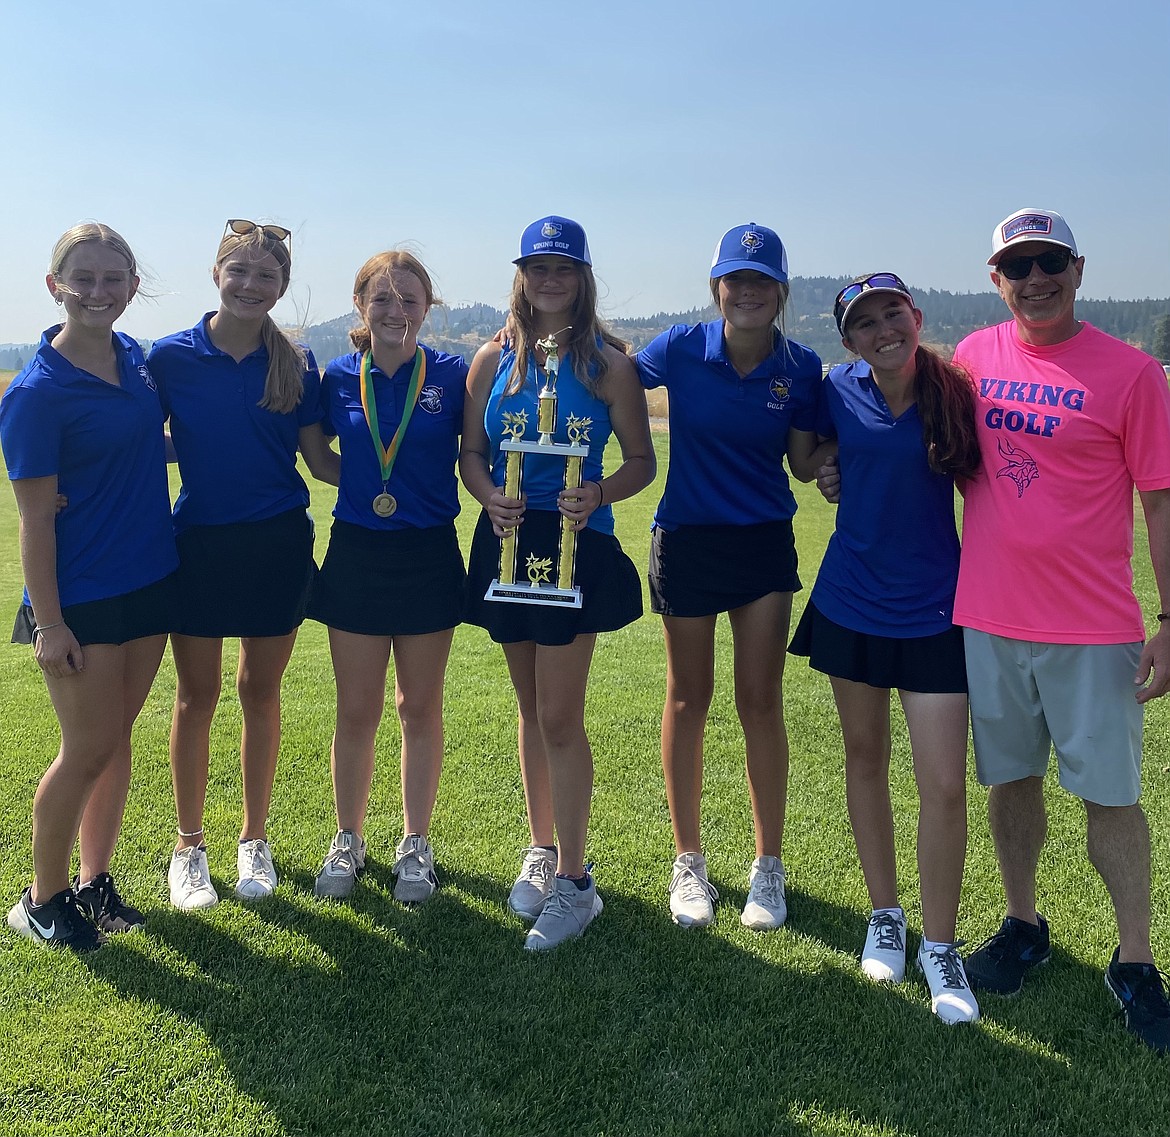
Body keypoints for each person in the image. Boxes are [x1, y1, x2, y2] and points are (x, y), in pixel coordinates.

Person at [951, 208, 1170, 1052]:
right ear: (995, 278)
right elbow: (918, 438)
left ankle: (1137, 960)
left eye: (1049, 262)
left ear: (1077, 269)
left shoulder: (1133, 373)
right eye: (1017, 266)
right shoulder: (971, 360)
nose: (1034, 279)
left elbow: (1160, 501)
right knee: (1011, 782)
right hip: (991, 619)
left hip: (1093, 626)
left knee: (1112, 796)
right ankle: (1022, 923)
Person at [789, 273, 982, 1024]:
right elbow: (804, 456)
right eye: (864, 323)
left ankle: (939, 944)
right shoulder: (836, 387)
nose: (882, 331)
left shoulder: (954, 389)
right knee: (864, 759)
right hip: (851, 604)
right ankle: (885, 916)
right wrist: (822, 467)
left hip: (937, 611)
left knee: (943, 784)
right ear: (848, 341)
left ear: (915, 316)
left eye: (891, 315)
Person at [461, 215, 655, 950]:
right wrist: (486, 494)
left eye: (562, 269)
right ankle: (542, 849)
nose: (548, 280)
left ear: (582, 278)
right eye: (537, 267)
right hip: (509, 537)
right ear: (521, 275)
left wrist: (599, 493)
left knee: (560, 715)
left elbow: (641, 460)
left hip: (577, 542)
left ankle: (577, 883)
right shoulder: (490, 360)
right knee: (529, 707)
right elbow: (472, 451)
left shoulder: (608, 364)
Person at [632, 223, 821, 931]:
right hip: (686, 539)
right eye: (734, 279)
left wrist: (827, 461)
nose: (746, 291)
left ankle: (767, 866)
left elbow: (802, 461)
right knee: (688, 697)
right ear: (718, 288)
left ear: (779, 291)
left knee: (759, 700)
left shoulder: (800, 367)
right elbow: (611, 375)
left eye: (760, 280)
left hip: (762, 545)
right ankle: (689, 860)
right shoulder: (680, 347)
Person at [148, 219, 338, 911]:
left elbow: (319, 461)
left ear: (281, 287)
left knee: (260, 694)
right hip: (196, 546)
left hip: (277, 546)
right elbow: (138, 437)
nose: (252, 285)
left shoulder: (298, 363)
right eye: (240, 271)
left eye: (267, 276)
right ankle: (189, 845)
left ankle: (253, 839)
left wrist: (402, 476)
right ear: (216, 273)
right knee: (196, 697)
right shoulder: (166, 359)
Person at [2, 223, 178, 951]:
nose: (99, 291)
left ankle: (93, 879)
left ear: (133, 288)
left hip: (150, 578)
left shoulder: (134, 360)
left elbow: (145, 443)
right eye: (85, 278)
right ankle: (41, 900)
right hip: (82, 597)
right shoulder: (37, 392)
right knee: (87, 748)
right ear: (55, 286)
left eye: (114, 278)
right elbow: (35, 520)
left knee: (116, 740)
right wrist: (49, 624)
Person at [308, 250, 467, 904]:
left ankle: (415, 844)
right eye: (382, 299)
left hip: (428, 553)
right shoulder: (339, 376)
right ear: (360, 307)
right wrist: (377, 484)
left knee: (418, 706)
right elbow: (319, 457)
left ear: (427, 308)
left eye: (409, 299)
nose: (396, 310)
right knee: (357, 707)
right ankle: (347, 836)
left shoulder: (456, 374)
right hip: (358, 553)